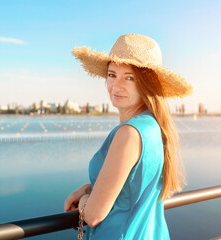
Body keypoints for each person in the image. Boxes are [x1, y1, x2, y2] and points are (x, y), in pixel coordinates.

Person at [64, 34, 192, 239]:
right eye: (112, 74)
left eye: (129, 77)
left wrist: (84, 200)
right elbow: (130, 187)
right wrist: (89, 188)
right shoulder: (153, 126)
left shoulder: (129, 134)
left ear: (146, 84)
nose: (116, 85)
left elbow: (94, 215)